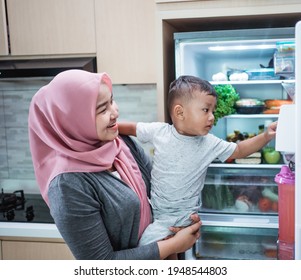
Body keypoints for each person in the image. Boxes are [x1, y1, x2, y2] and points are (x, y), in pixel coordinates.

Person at [28, 69, 201, 260]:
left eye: (111, 100)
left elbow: (160, 195)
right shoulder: (67, 184)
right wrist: (173, 245)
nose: (115, 111)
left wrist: (180, 220)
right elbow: (101, 264)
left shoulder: (122, 143)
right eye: (103, 109)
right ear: (73, 120)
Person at [118, 75, 277, 247]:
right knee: (167, 252)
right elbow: (133, 128)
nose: (212, 117)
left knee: (147, 248)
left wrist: (266, 136)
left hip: (183, 216)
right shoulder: (159, 131)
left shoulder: (209, 143)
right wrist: (109, 126)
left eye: (213, 111)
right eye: (205, 110)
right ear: (180, 112)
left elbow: (239, 150)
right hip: (157, 211)